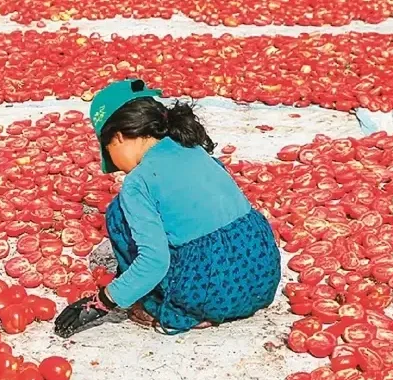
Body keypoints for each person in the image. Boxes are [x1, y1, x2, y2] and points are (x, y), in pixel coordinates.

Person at [53, 79, 282, 338]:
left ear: (117, 137)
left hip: (213, 292)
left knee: (119, 214)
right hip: (261, 276)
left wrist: (102, 302)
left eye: (106, 149)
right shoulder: (192, 148)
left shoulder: (138, 183)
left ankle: (178, 309)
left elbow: (154, 262)